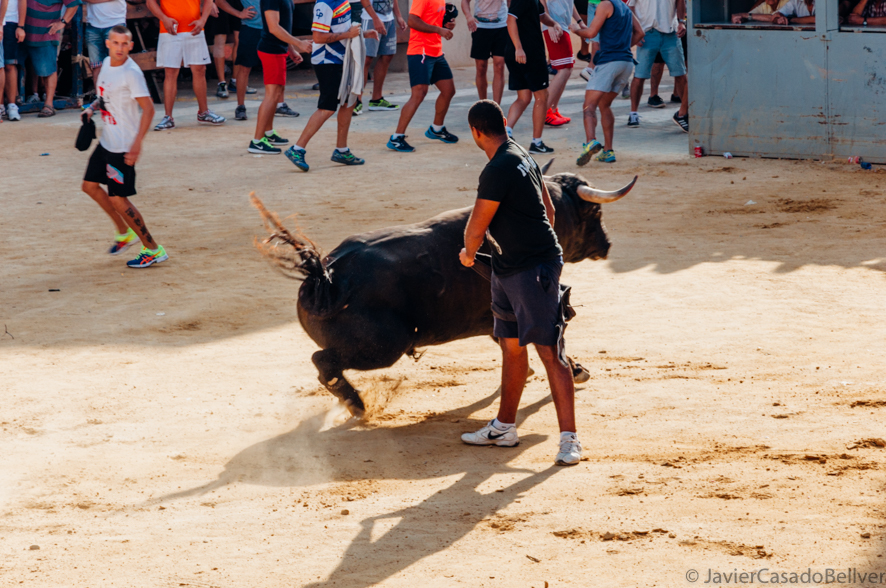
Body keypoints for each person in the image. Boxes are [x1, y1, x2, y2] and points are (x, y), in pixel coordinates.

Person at [459, 99, 582, 467]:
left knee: (549, 351)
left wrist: (468, 253)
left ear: (476, 132)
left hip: (531, 270)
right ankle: (504, 427)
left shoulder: (496, 169)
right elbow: (549, 210)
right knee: (511, 347)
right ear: (502, 123)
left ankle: (570, 439)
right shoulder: (522, 154)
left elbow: (476, 226)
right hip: (510, 267)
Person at [81, 26, 169, 268]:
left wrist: (136, 145)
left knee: (119, 199)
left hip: (123, 147)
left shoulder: (132, 73)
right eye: (116, 43)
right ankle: (124, 233)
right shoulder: (106, 64)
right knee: (89, 186)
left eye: (124, 44)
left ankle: (153, 249)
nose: (120, 48)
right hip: (107, 142)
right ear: (108, 44)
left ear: (130, 46)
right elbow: (104, 96)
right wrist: (91, 108)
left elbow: (149, 109)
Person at [280, 0, 377, 169]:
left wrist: (363, 33)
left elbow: (343, 29)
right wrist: (348, 35)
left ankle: (342, 150)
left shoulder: (342, 1)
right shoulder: (324, 4)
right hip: (327, 61)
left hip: (341, 60)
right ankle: (297, 148)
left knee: (349, 103)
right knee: (327, 107)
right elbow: (318, 37)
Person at [572, 0, 642, 163]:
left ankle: (590, 142)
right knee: (604, 105)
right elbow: (640, 33)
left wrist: (575, 29)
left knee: (589, 106)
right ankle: (608, 151)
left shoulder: (605, 5)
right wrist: (623, 48)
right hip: (626, 62)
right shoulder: (625, 7)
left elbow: (591, 33)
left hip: (609, 62)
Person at [385, 0, 458, 152]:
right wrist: (439, 30)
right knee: (418, 94)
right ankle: (397, 138)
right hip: (420, 51)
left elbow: (433, 20)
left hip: (436, 51)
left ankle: (436, 129)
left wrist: (446, 25)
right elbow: (412, 21)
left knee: (448, 90)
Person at [146, 0, 226, 129]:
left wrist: (203, 20)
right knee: (170, 72)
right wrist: (164, 18)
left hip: (193, 28)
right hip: (170, 29)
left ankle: (203, 112)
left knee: (199, 70)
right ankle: (168, 116)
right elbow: (150, 2)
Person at [247, 0, 311, 153]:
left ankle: (268, 133)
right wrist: (299, 43)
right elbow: (274, 28)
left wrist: (291, 49)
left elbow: (284, 25)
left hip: (278, 50)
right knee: (272, 95)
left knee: (276, 93)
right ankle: (257, 141)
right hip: (271, 51)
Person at [503, 0, 562, 153]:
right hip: (529, 54)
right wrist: (519, 48)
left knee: (523, 98)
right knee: (542, 97)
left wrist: (554, 23)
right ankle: (537, 143)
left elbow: (542, 15)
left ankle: (506, 134)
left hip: (519, 54)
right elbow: (511, 19)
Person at [627, 0, 688, 132]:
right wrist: (634, 30)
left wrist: (681, 21)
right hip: (647, 33)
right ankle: (633, 113)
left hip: (671, 33)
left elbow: (680, 1)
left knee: (680, 74)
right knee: (639, 75)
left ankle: (684, 114)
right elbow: (630, 7)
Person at [22, 0, 81, 117]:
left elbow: (74, 3)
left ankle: (49, 104)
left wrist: (63, 22)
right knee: (18, 65)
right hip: (23, 31)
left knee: (48, 67)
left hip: (46, 33)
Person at [361, 0, 406, 110]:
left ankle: (376, 99)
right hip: (370, 19)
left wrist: (399, 16)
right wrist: (375, 19)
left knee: (388, 55)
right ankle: (356, 101)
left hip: (389, 19)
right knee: (366, 58)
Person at [541, 0, 580, 126]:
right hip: (555, 25)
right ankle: (544, 112)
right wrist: (549, 24)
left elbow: (570, 3)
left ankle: (552, 110)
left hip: (562, 25)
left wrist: (580, 21)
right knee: (563, 69)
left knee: (567, 69)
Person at [217, 0, 258, 119]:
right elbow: (219, 1)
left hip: (268, 25)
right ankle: (240, 105)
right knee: (244, 68)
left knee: (273, 67)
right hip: (250, 26)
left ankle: (279, 104)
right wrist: (239, 13)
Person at [462, 0, 508, 104]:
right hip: (480, 27)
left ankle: (496, 106)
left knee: (500, 65)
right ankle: (483, 104)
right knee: (481, 67)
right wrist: (468, 17)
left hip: (502, 27)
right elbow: (465, 1)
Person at [82, 0, 126, 89]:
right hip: (93, 24)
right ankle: (100, 96)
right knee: (96, 66)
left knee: (116, 64)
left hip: (115, 23)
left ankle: (116, 96)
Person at [2, 0, 25, 120]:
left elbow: (22, 1)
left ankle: (12, 105)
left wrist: (20, 26)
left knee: (9, 64)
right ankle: (1, 106)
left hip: (11, 21)